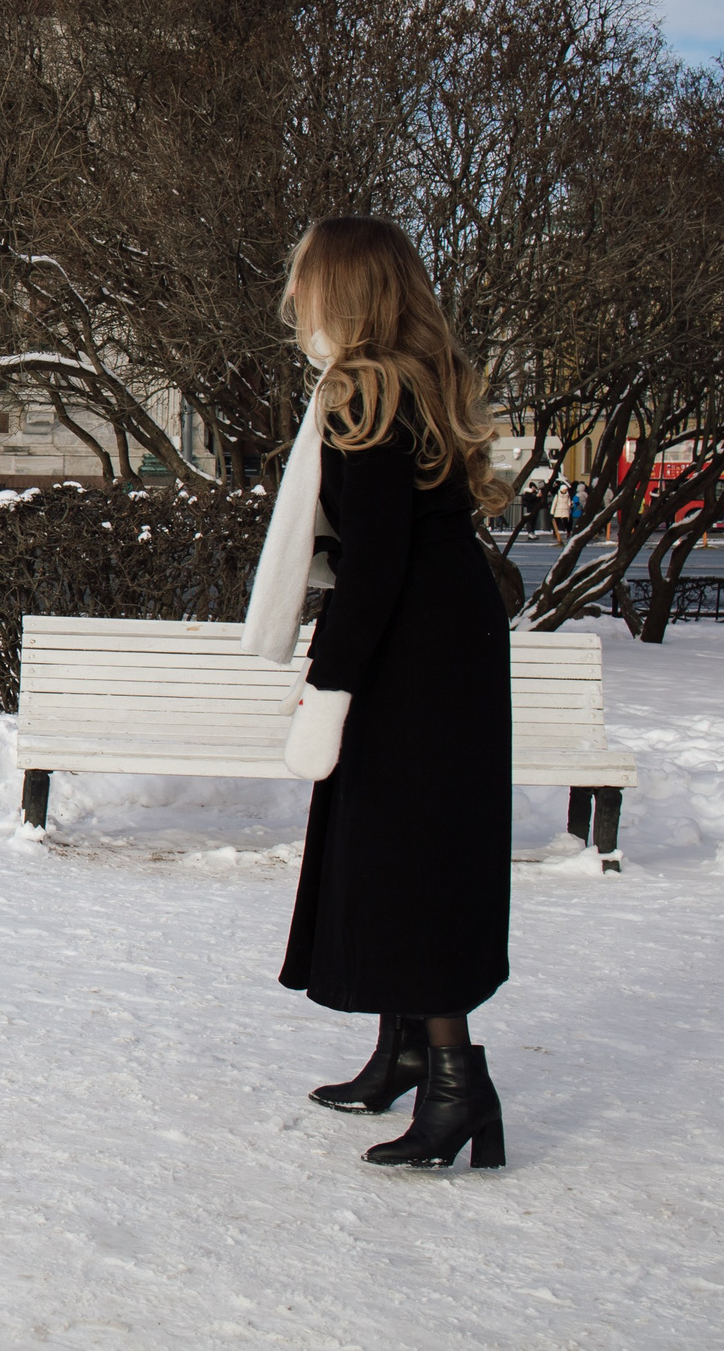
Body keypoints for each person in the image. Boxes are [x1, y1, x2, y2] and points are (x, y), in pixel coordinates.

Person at [250, 217, 513, 1170]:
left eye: (308, 277)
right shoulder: (422, 376)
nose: (296, 291)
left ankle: (457, 1082)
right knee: (411, 837)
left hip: (415, 644)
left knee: (410, 847)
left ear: (344, 290)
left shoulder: (361, 387)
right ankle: (405, 1048)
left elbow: (374, 566)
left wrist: (331, 684)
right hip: (452, 635)